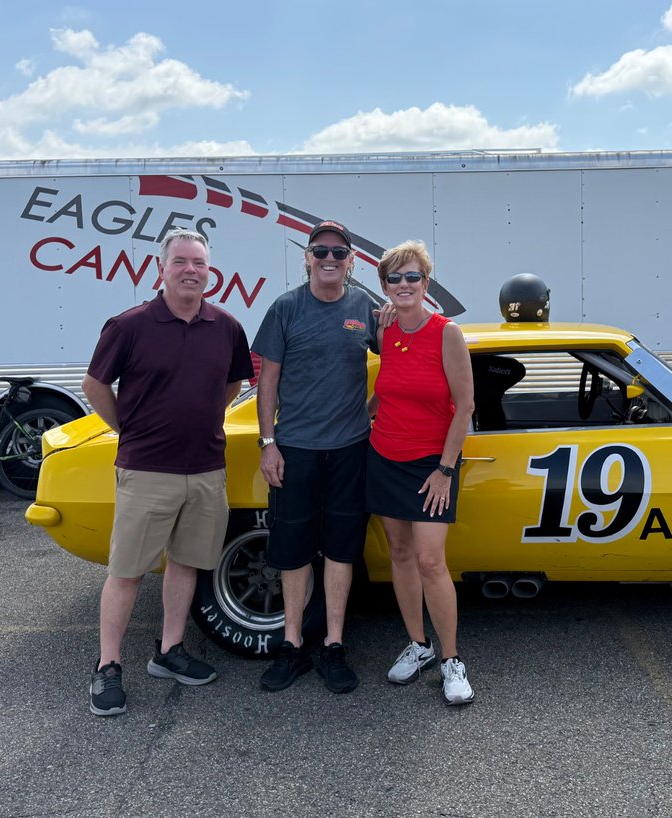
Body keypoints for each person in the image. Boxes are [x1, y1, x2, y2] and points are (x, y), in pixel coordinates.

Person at [83, 229, 254, 717]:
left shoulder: (226, 326)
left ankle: (170, 650)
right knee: (127, 571)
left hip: (205, 471)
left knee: (186, 562)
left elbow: (232, 383)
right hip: (146, 471)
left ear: (209, 271)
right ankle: (108, 666)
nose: (190, 270)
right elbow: (95, 385)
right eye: (180, 261)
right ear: (161, 269)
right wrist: (127, 428)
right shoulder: (130, 325)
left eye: (199, 263)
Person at [252, 219, 385, 694]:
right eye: (320, 251)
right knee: (292, 552)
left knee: (341, 550)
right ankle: (291, 646)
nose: (329, 259)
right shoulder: (286, 308)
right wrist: (268, 443)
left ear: (351, 261)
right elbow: (266, 382)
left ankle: (333, 646)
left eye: (338, 252)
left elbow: (400, 361)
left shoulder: (364, 308)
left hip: (350, 450)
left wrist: (371, 409)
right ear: (306, 257)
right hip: (295, 451)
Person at [368, 240, 476, 705]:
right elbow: (385, 392)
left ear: (427, 283)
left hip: (432, 465)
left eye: (413, 277)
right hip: (384, 456)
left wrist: (445, 470)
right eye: (396, 278)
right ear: (385, 286)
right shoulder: (385, 329)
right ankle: (418, 646)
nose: (405, 285)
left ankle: (452, 660)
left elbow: (465, 406)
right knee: (399, 552)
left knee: (432, 561)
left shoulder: (446, 333)